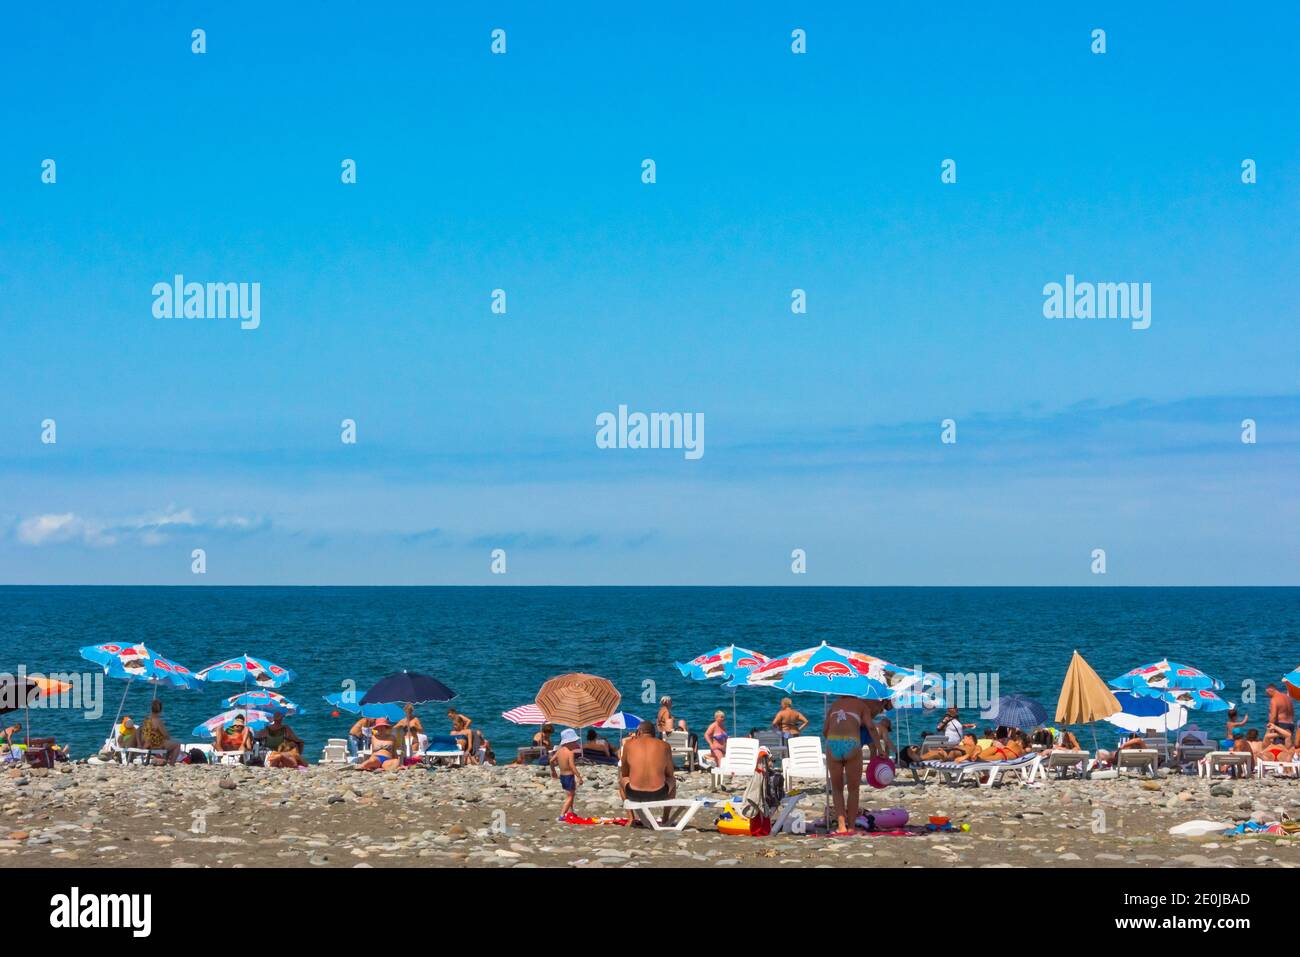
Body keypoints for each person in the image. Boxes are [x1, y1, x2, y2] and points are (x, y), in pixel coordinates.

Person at [823, 695, 871, 834]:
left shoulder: (834, 706)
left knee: (837, 789)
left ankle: (841, 826)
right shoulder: (861, 705)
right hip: (851, 742)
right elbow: (871, 728)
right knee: (853, 789)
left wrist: (834, 742)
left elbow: (825, 730)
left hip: (833, 743)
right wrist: (879, 750)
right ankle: (851, 827)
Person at [620, 721, 676, 819]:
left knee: (622, 780)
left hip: (633, 793)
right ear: (653, 733)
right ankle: (665, 818)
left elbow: (624, 772)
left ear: (639, 732)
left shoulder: (628, 745)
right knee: (672, 780)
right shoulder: (665, 746)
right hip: (659, 793)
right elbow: (670, 773)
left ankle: (631, 818)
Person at [550, 728, 583, 819]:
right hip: (569, 776)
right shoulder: (570, 753)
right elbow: (572, 766)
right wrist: (579, 777)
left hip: (562, 776)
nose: (576, 743)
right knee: (570, 796)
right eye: (574, 741)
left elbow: (551, 760)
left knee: (570, 794)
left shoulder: (559, 750)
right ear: (568, 742)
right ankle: (562, 815)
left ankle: (570, 812)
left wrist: (553, 771)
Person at [139, 699, 182, 765]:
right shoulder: (158, 721)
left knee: (168, 743)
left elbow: (144, 733)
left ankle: (164, 761)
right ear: (160, 710)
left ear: (151, 709)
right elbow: (166, 736)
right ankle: (172, 764)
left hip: (147, 744)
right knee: (177, 745)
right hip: (156, 745)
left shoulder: (146, 720)